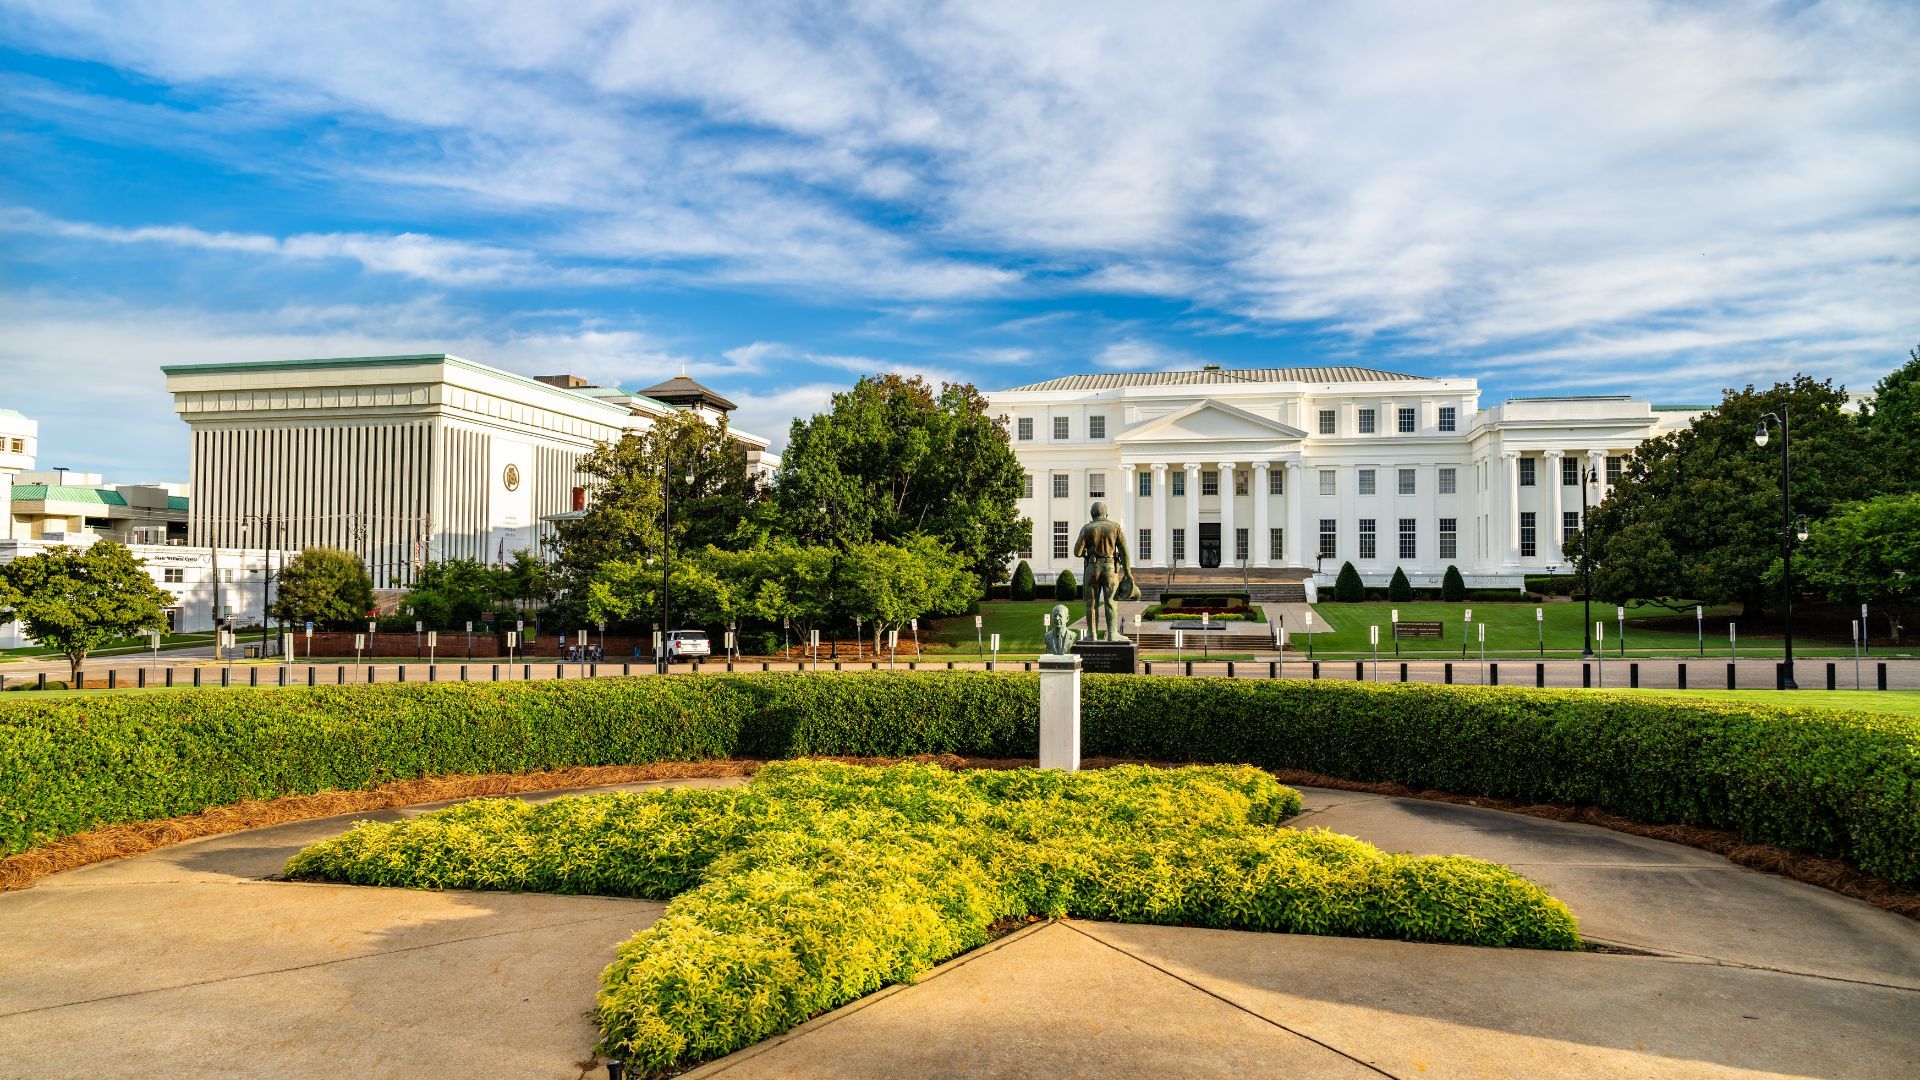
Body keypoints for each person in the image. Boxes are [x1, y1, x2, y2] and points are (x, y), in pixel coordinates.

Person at [1072, 501, 1138, 641]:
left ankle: (1091, 634)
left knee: (1091, 603)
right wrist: (1127, 573)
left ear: (1093, 514)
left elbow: (1077, 552)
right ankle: (1112, 634)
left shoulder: (1087, 528)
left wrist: (1086, 553)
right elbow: (1124, 552)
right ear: (1106, 514)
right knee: (1111, 602)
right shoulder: (1115, 527)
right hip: (1110, 568)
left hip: (1092, 568)